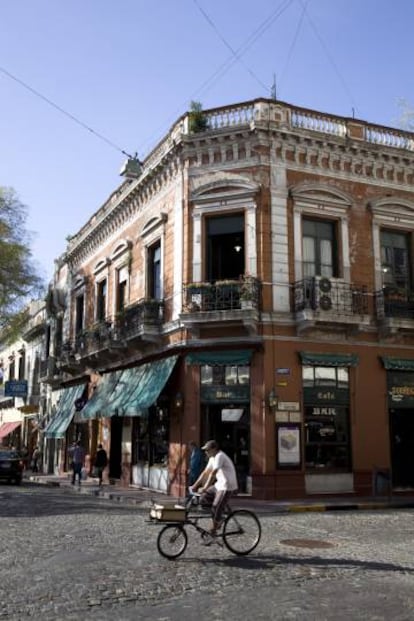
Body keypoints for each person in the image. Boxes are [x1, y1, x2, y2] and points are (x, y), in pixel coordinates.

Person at [190, 439, 238, 539]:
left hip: (227, 486)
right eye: (205, 450)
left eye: (207, 450)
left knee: (216, 506)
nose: (206, 452)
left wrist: (205, 487)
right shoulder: (212, 458)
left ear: (214, 449)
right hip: (218, 485)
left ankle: (214, 528)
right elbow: (205, 473)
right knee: (203, 498)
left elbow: (213, 473)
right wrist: (194, 486)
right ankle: (218, 517)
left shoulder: (220, 456)